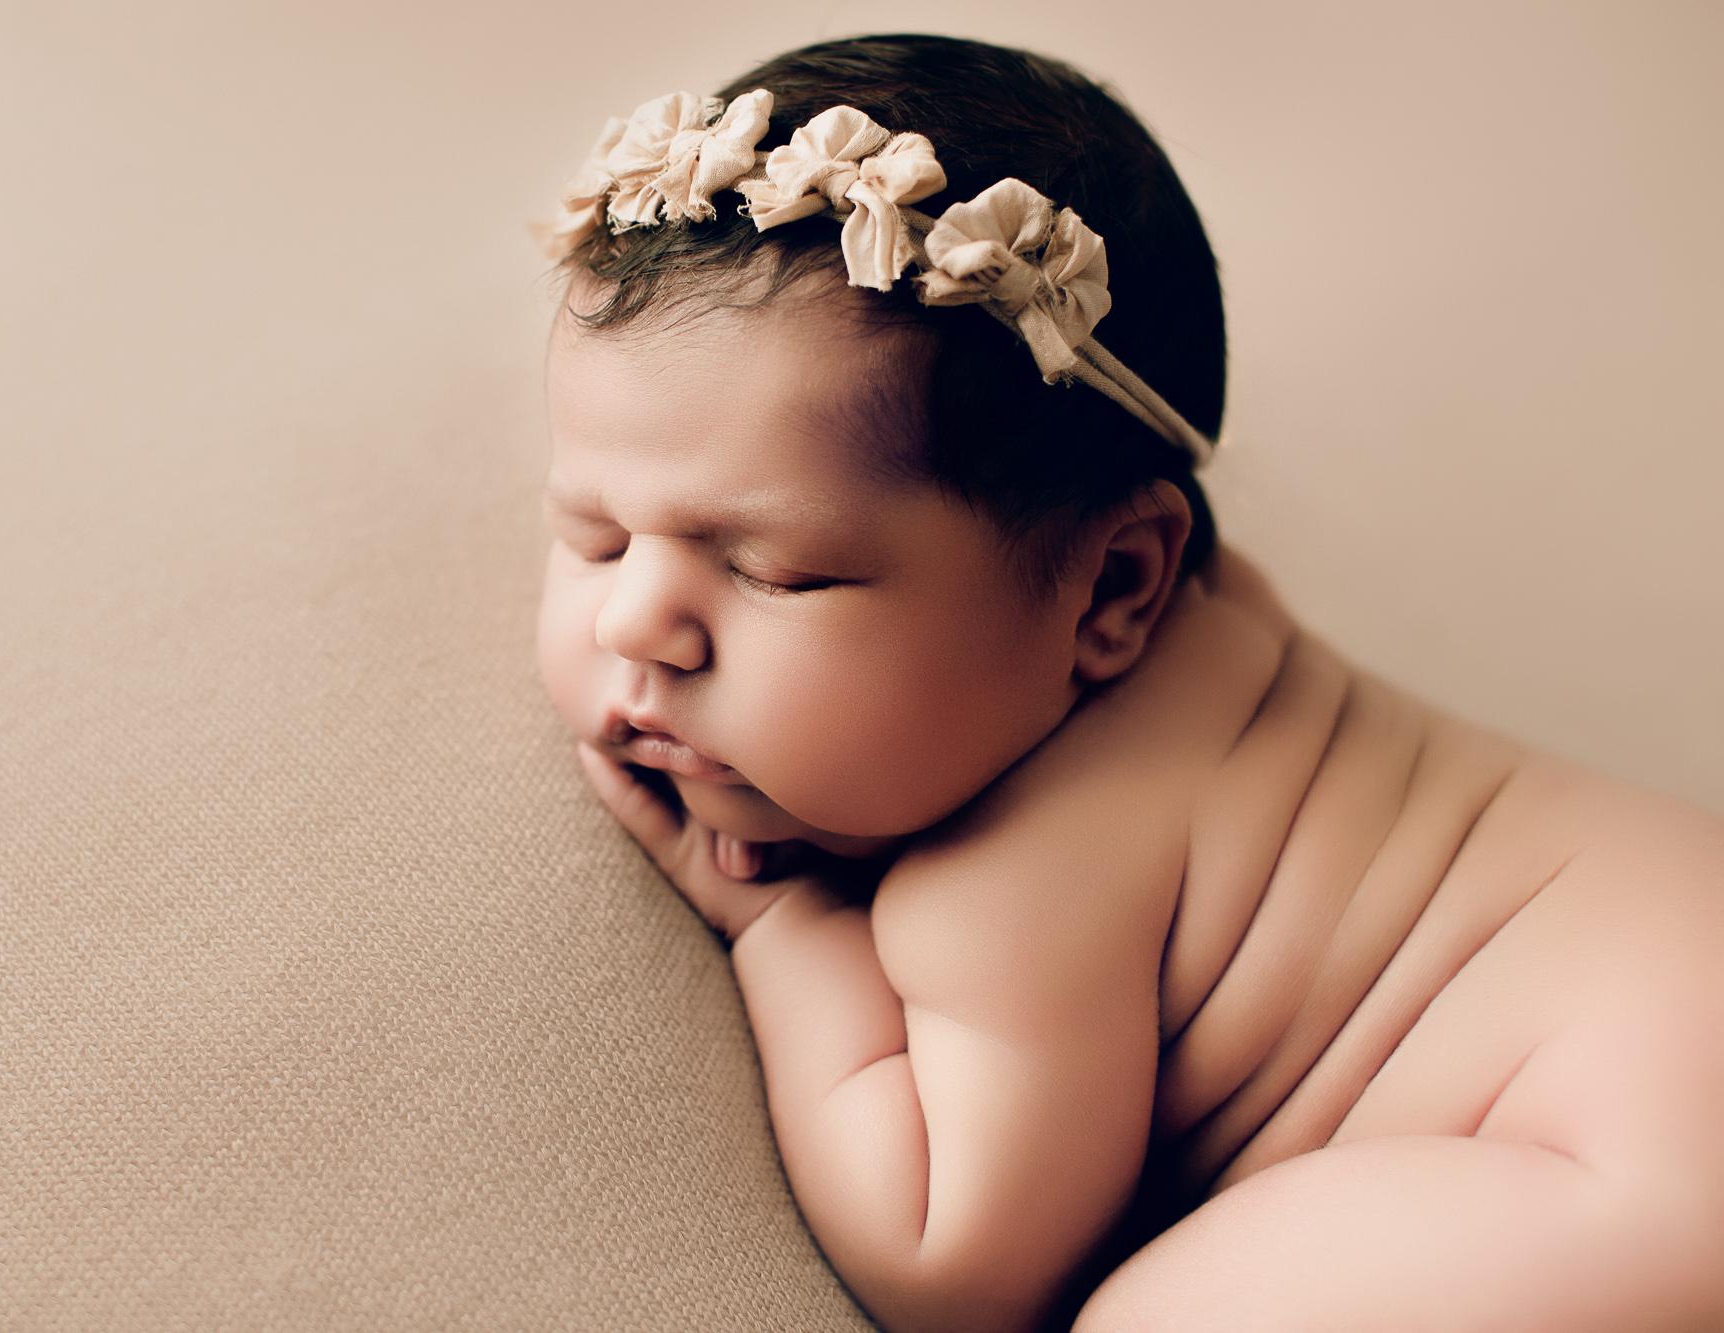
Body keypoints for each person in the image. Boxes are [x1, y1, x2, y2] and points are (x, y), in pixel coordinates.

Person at [534, 34, 1724, 1333]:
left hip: (1633, 1156)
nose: (639, 619)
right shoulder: (1228, 645)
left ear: (1112, 591)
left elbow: (955, 1262)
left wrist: (779, 930)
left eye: (779, 572)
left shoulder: (1011, 884)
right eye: (592, 534)